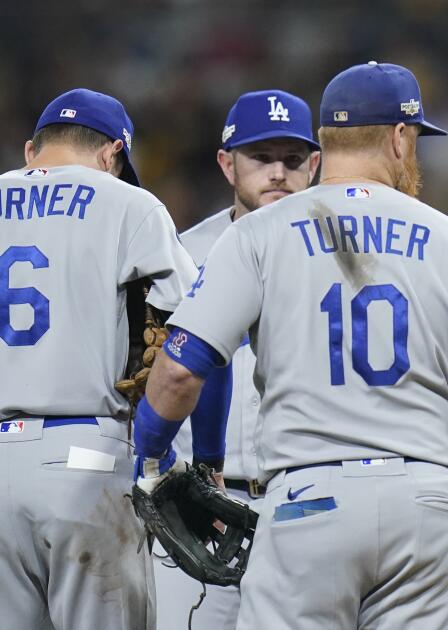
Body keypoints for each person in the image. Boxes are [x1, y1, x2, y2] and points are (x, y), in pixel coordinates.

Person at [129, 61, 448, 629]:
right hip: (425, 501)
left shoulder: (258, 233)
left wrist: (150, 455)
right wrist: (438, 475)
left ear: (322, 147)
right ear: (398, 137)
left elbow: (181, 372)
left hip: (311, 498)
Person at [0, 89, 197, 629]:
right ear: (113, 153)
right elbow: (189, 327)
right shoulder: (128, 203)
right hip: (84, 456)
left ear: (30, 150)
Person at [152, 88, 320, 630]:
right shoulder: (177, 257)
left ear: (315, 165)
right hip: (196, 508)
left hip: (303, 501)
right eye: (261, 157)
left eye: (293, 160)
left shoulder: (341, 254)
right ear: (227, 163)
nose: (278, 172)